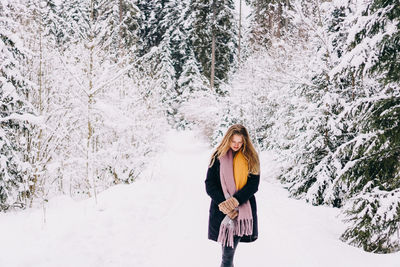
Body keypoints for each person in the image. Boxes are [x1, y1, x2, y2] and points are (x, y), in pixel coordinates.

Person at [205, 124, 260, 267]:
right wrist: (225, 204)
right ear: (228, 139)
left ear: (245, 141)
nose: (236, 145)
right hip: (222, 211)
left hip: (241, 211)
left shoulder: (251, 157)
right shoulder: (218, 156)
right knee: (227, 255)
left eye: (240, 142)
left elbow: (253, 185)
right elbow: (209, 184)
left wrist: (235, 201)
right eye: (233, 141)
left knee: (227, 255)